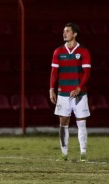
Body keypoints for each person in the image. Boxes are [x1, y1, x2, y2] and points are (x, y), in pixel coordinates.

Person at [49, 22, 91, 162]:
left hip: (80, 94)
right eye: (63, 31)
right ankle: (64, 153)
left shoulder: (83, 51)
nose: (64, 33)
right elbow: (54, 73)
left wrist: (79, 87)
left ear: (74, 34)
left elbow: (87, 73)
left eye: (67, 31)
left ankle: (83, 153)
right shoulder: (58, 52)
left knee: (81, 122)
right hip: (63, 94)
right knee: (63, 122)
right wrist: (51, 89)